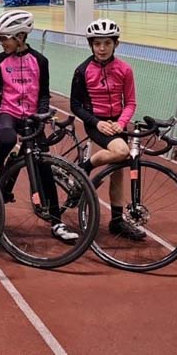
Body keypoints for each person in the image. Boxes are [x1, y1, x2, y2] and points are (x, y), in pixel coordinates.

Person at [0, 10, 79, 243]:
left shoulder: (40, 61)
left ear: (21, 37)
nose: (1, 42)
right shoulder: (0, 60)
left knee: (43, 167)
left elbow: (43, 94)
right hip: (8, 113)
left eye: (5, 38)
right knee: (6, 140)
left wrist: (42, 114)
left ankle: (57, 222)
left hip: (32, 118)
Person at [70, 18, 144, 241]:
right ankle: (85, 166)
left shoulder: (125, 69)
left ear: (116, 44)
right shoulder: (82, 71)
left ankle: (116, 220)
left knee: (118, 171)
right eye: (97, 43)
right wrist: (97, 122)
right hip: (97, 123)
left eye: (107, 43)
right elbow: (75, 105)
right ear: (91, 44)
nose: (102, 48)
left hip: (117, 123)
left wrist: (121, 123)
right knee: (122, 152)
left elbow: (130, 102)